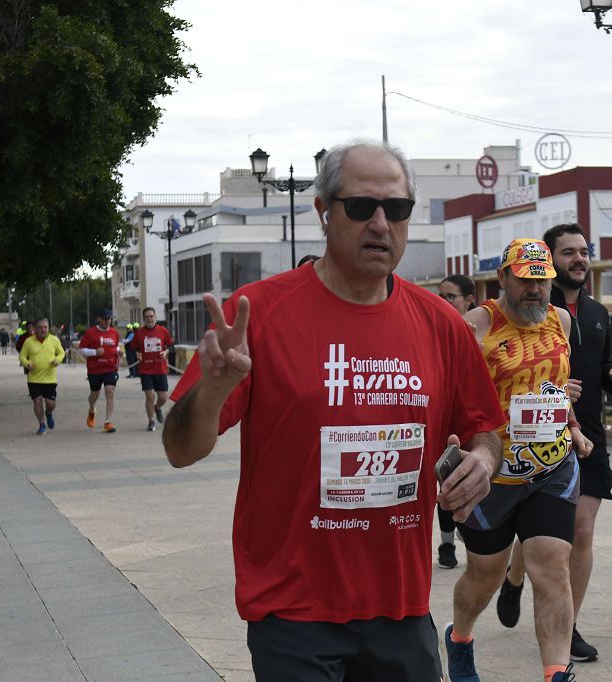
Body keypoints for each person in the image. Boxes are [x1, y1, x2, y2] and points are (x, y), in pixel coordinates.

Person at [162, 140, 506, 682]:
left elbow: (486, 429)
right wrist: (211, 389)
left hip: (402, 606)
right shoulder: (259, 314)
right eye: (360, 207)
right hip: (294, 610)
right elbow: (180, 450)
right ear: (324, 212)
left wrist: (483, 463)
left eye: (395, 210)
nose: (380, 223)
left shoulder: (441, 324)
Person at [445, 238, 592, 682]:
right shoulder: (476, 324)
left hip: (551, 466)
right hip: (492, 475)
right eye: (526, 281)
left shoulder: (560, 320)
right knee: (484, 578)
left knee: (551, 568)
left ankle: (556, 672)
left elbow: (555, 384)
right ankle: (461, 637)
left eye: (543, 280)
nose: (536, 290)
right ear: (503, 279)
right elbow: (452, 392)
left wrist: (573, 425)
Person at [494, 224, 612, 663]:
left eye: (584, 251)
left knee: (581, 531)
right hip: (530, 439)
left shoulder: (594, 312)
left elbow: (601, 364)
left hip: (587, 432)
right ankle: (514, 580)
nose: (579, 259)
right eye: (568, 252)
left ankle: (567, 629)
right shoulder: (531, 309)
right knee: (535, 533)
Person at [434, 274, 478, 570]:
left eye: (451, 296)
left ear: (469, 300)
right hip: (444, 419)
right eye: (441, 296)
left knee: (474, 479)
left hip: (477, 420)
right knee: (447, 480)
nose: (444, 302)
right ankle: (447, 542)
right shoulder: (433, 329)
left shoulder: (483, 332)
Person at [19, 318, 65, 435]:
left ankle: (48, 413)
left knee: (50, 403)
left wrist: (57, 360)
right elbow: (22, 356)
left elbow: (61, 353)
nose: (43, 330)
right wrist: (27, 364)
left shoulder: (54, 340)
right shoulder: (29, 341)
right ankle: (42, 424)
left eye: (45, 327)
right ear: (35, 328)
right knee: (37, 401)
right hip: (34, 378)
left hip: (50, 378)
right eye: (41, 327)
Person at [79, 310, 122, 433]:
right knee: (94, 395)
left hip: (110, 368)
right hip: (95, 369)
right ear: (99, 319)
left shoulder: (114, 332)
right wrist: (94, 352)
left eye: (109, 319)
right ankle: (92, 410)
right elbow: (81, 349)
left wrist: (118, 351)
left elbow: (115, 345)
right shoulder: (90, 333)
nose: (107, 321)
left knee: (110, 392)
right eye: (105, 319)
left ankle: (108, 422)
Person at [133, 308, 173, 432]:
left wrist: (166, 352)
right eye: (147, 317)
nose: (149, 319)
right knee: (150, 396)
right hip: (145, 369)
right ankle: (151, 421)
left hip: (160, 368)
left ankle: (157, 407)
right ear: (144, 319)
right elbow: (134, 348)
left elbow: (171, 346)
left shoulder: (163, 331)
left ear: (155, 317)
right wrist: (137, 354)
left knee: (163, 398)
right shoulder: (139, 333)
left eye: (151, 316)